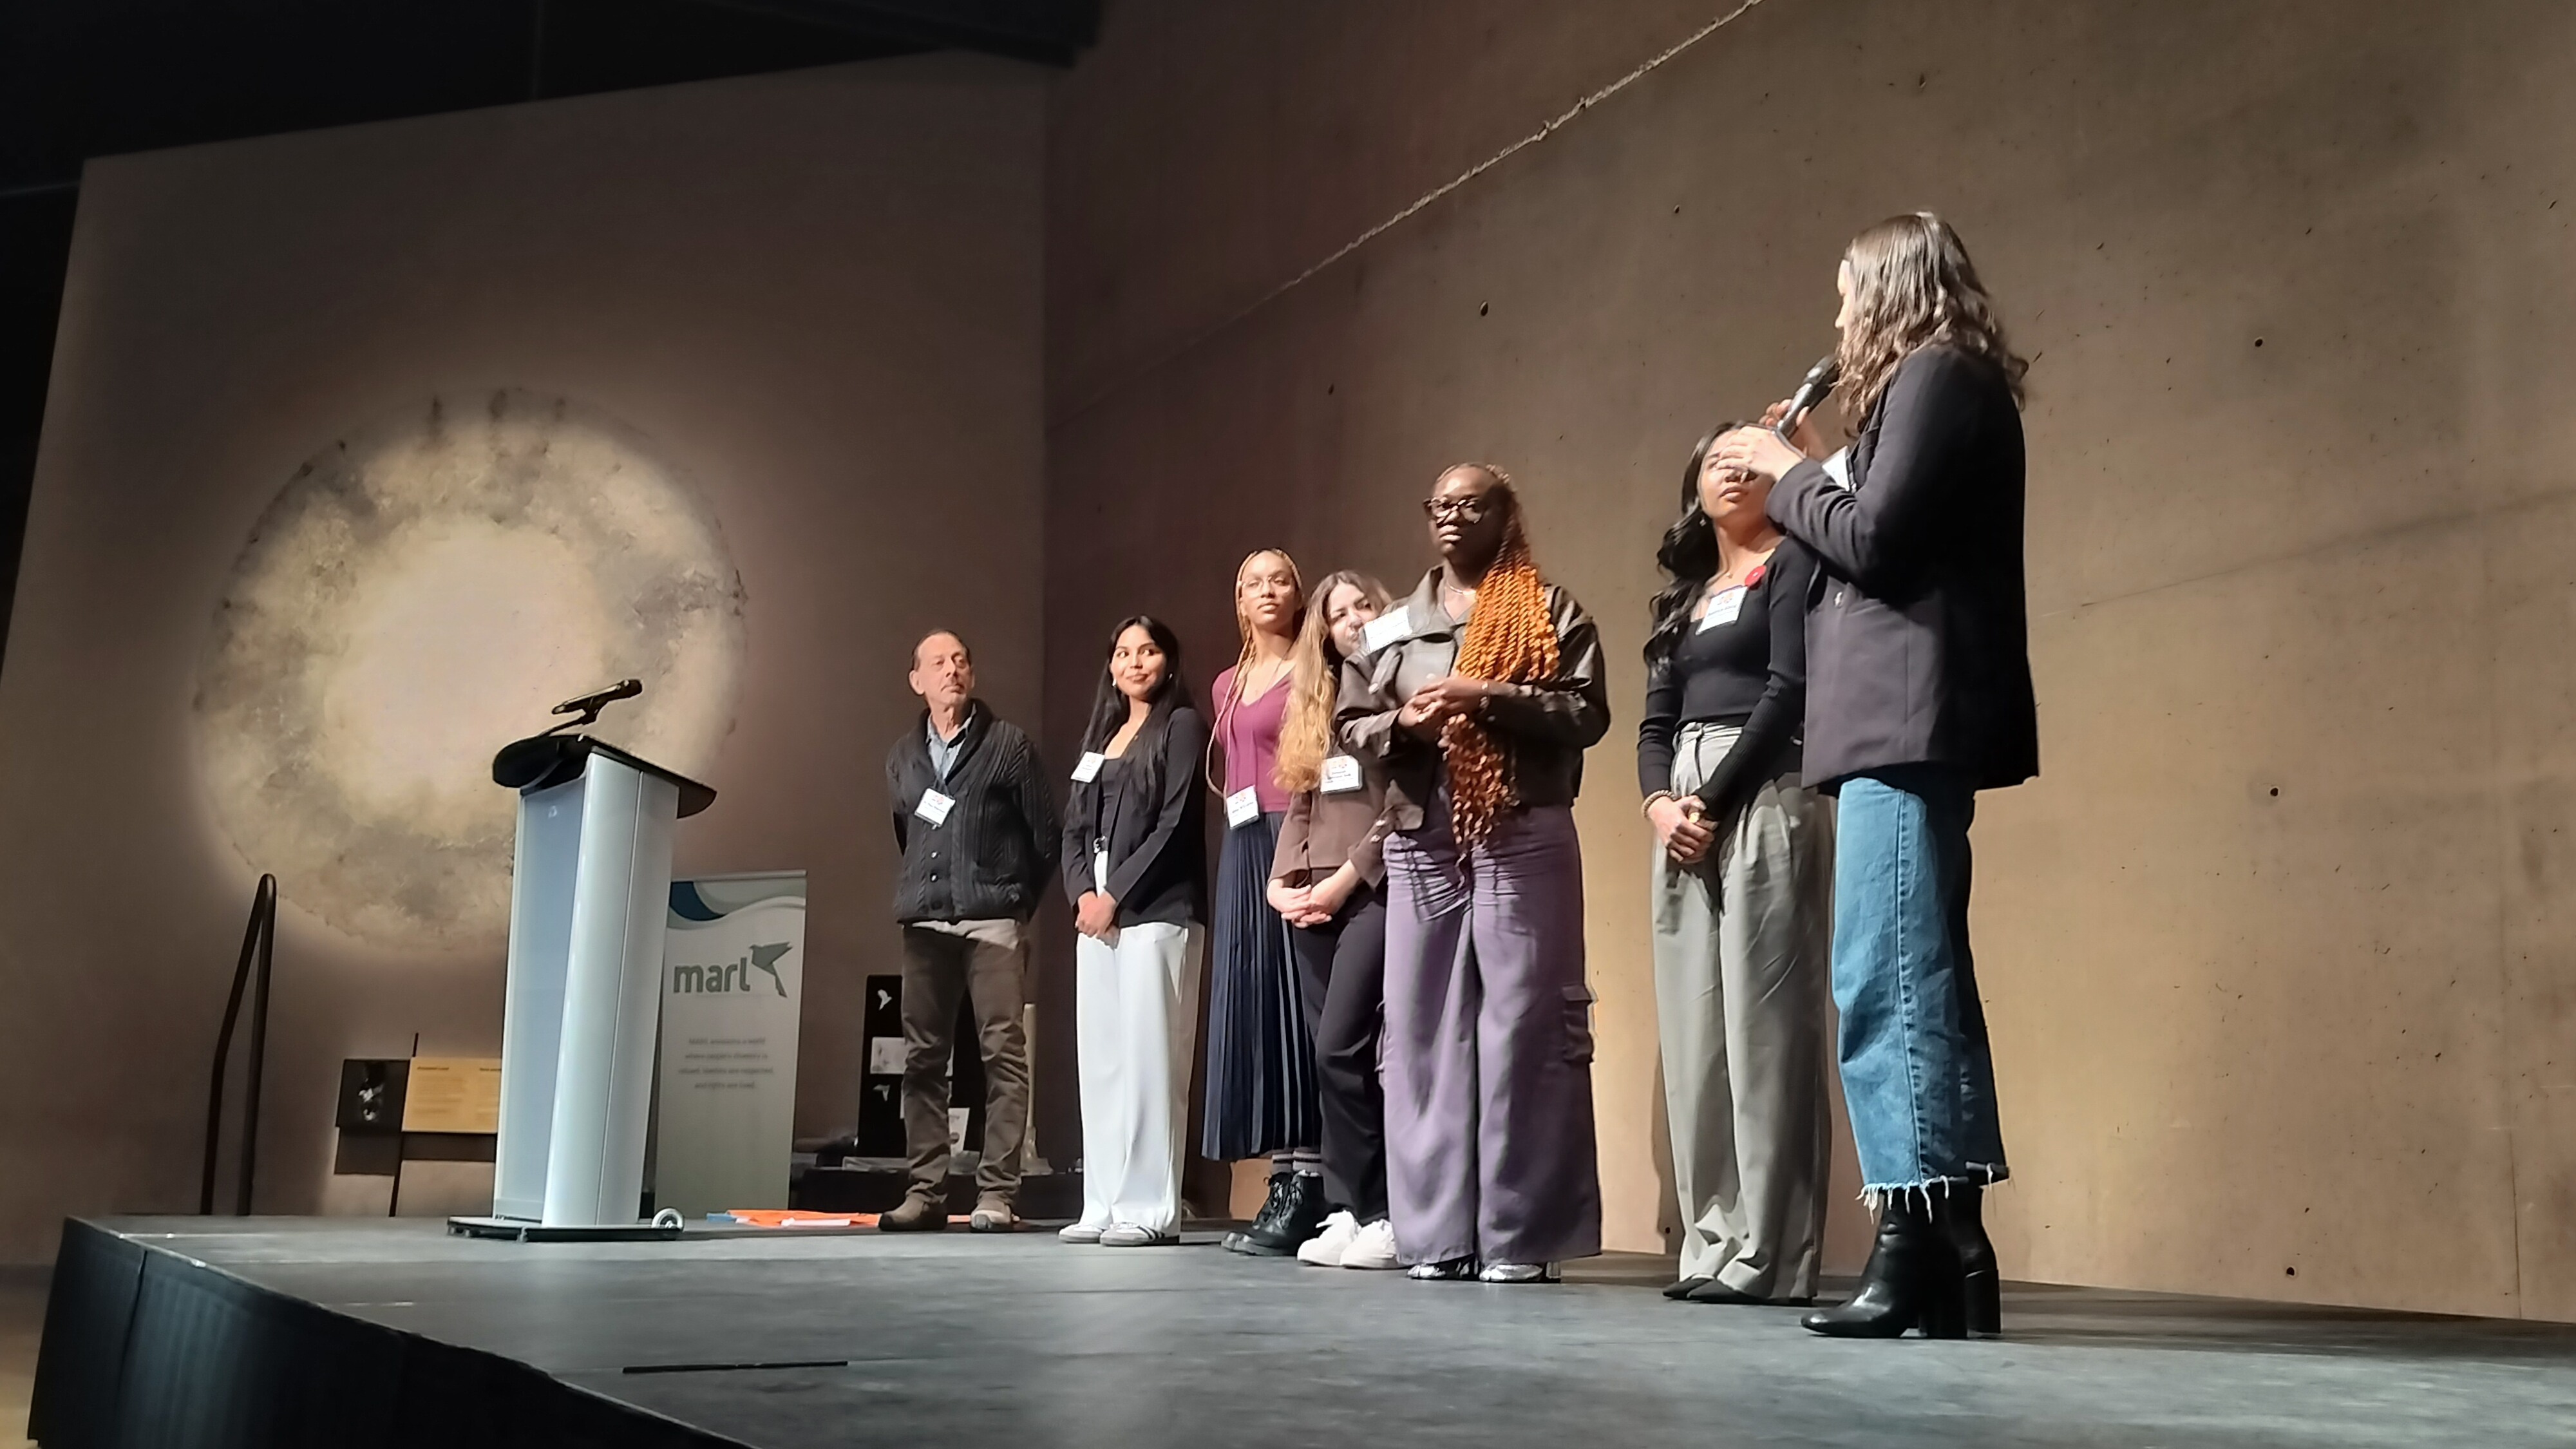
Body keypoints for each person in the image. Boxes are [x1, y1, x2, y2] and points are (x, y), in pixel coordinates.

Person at [1713, 211, 2034, 1338]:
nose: (1839, 316)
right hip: (1889, 726)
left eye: (1849, 292)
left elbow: (1880, 544)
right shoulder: (1921, 395)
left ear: (1894, 287)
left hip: (1907, 721)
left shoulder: (1940, 377)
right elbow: (1853, 545)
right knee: (1919, 976)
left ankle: (1910, 1249)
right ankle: (1952, 1249)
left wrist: (1791, 472)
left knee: (1885, 979)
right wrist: (1800, 485)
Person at [1339, 464, 1609, 1283]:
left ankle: (1520, 1235)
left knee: (1523, 1026)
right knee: (1422, 1032)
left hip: (1520, 829)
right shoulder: (1389, 629)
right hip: (1423, 837)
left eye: (1472, 504)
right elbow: (1351, 724)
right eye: (1441, 506)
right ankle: (1437, 1235)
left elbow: (1585, 712)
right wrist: (1403, 721)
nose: (1454, 517)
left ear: (1505, 514)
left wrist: (1486, 694)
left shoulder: (1550, 608)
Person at [1637, 430, 1834, 1302]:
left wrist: (1711, 801)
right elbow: (1653, 724)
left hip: (1763, 787)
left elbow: (1788, 688)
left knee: (1766, 1027)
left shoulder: (1791, 567)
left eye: (1749, 455)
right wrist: (1659, 804)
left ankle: (1772, 1250)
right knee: (1696, 1033)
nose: (1732, 466)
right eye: (1715, 457)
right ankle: (1709, 1239)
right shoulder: (1685, 597)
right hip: (1680, 803)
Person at [880, 630, 1059, 1233]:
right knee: (923, 1060)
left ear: (972, 675)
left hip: (993, 922)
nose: (952, 670)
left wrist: (1013, 900)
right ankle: (926, 1190)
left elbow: (1046, 838)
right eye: (938, 662)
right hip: (925, 924)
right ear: (917, 680)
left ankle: (996, 1194)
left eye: (961, 661)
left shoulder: (1009, 746)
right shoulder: (902, 756)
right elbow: (908, 835)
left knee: (1002, 1057)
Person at [1059, 616, 1211, 1247]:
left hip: (1157, 910)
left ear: (1168, 661)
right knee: (1102, 1066)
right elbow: (1071, 827)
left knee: (1151, 1064)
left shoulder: (1180, 725)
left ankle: (1148, 1208)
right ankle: (1102, 1202)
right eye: (1123, 652)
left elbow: (1175, 824)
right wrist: (1084, 894)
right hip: (1096, 912)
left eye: (1147, 651)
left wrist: (1115, 893)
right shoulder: (1102, 733)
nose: (1134, 662)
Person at [1266, 571, 1401, 1270]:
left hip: (1372, 891)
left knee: (1346, 1049)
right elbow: (1299, 802)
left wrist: (1349, 876)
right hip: (1313, 899)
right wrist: (1280, 882)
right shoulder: (1314, 702)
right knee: (1330, 1060)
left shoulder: (1397, 684)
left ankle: (1387, 1210)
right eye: (1337, 613)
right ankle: (1351, 1209)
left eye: (1362, 607)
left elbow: (1403, 801)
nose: (1350, 620)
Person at [1200, 551, 1329, 1255]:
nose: (1268, 590)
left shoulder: (1316, 672)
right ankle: (1281, 1177)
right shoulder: (1226, 683)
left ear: (1297, 592)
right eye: (1253, 581)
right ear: (1239, 600)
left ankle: (1312, 1179)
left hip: (1294, 835)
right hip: (1244, 845)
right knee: (1257, 1009)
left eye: (1279, 579)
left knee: (1297, 1007)